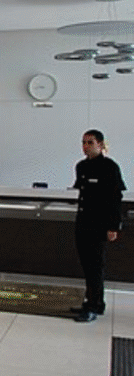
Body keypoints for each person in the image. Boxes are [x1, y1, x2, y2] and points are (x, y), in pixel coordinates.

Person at [72, 129, 125, 322]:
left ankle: (93, 306)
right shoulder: (81, 166)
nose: (85, 147)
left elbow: (115, 198)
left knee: (95, 266)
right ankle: (93, 302)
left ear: (100, 145)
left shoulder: (109, 167)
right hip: (83, 222)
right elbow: (79, 191)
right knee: (87, 265)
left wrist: (114, 226)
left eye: (90, 143)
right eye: (83, 142)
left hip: (99, 224)